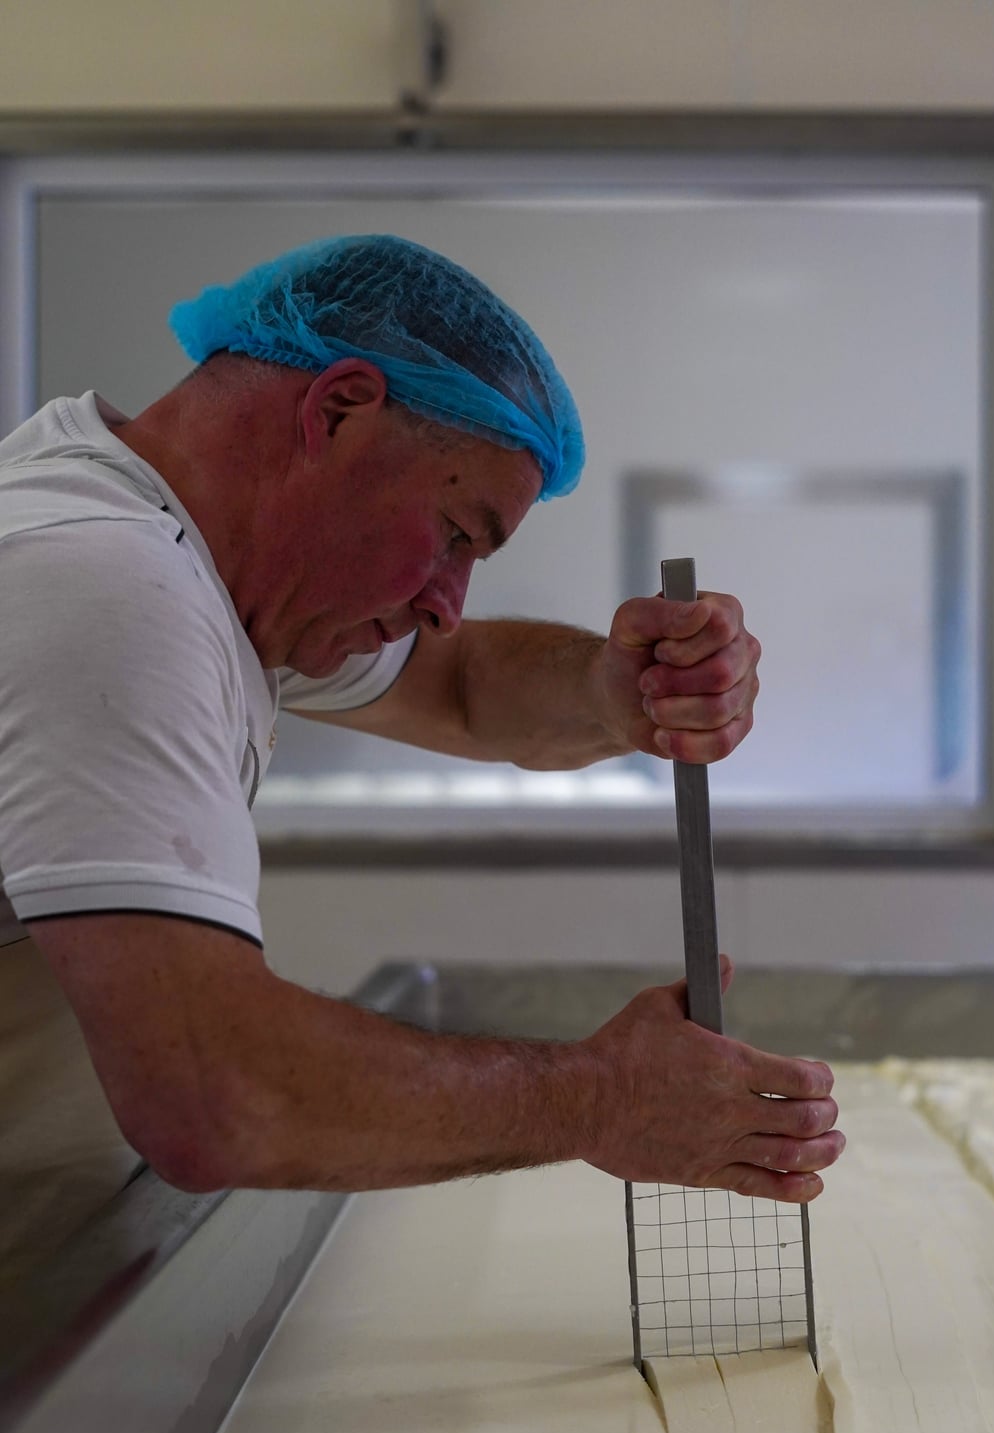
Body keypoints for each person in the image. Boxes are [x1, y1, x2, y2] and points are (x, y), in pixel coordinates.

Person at [0, 235, 843, 1287]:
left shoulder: (191, 555)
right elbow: (216, 1093)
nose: (447, 606)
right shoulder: (105, 588)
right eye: (454, 533)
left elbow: (459, 686)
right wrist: (599, 1097)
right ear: (339, 409)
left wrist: (613, 691)